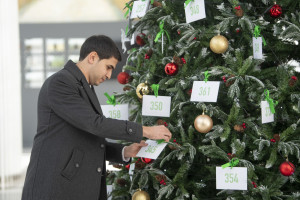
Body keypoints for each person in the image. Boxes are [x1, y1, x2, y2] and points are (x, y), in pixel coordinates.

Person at [21, 35, 172, 200]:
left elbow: (88, 139)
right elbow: (95, 124)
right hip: (54, 188)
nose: (109, 75)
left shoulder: (83, 86)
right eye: (108, 67)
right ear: (92, 57)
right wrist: (145, 131)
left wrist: (124, 151)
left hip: (73, 187)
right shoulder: (60, 83)